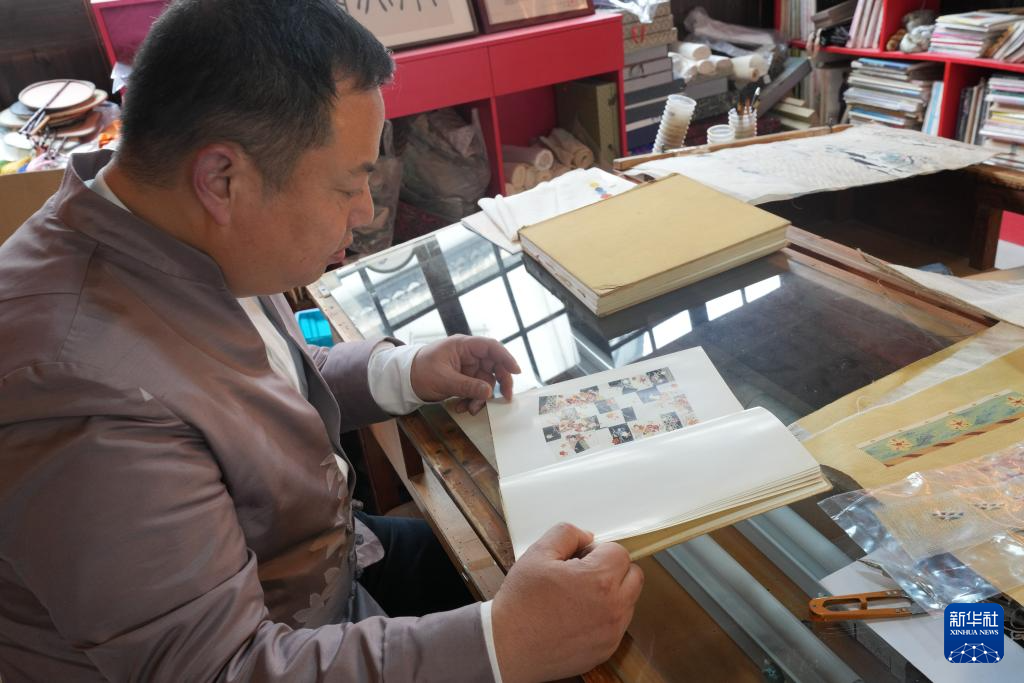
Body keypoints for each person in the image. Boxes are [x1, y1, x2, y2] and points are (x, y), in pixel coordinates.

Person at [0, 1, 644, 681]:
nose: (365, 211)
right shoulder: (73, 387)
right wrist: (501, 644)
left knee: (564, 558)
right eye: (350, 182)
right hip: (274, 639)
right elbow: (219, 669)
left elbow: (250, 379)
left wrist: (403, 371)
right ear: (222, 178)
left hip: (317, 563)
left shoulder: (171, 225)